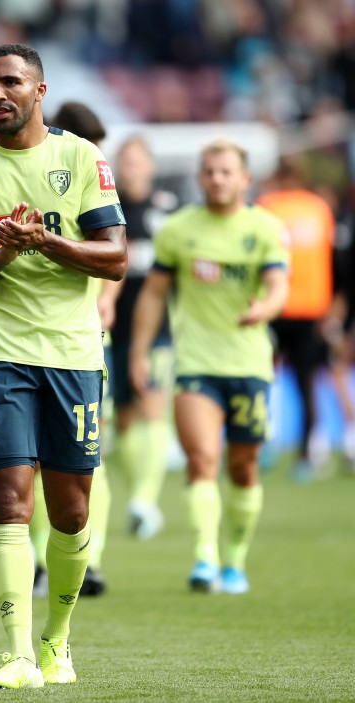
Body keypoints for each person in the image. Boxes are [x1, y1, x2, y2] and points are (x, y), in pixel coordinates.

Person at [0, 44, 127, 689]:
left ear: (40, 91)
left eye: (11, 82)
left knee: (71, 511)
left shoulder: (80, 158)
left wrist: (46, 242)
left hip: (72, 356)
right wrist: (1, 257)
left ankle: (56, 643)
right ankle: (17, 654)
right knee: (8, 499)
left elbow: (114, 256)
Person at [130, 140, 289, 595]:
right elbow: (155, 294)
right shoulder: (178, 230)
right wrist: (140, 351)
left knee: (244, 468)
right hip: (196, 366)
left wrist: (265, 309)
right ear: (199, 178)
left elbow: (279, 284)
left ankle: (235, 561)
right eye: (209, 171)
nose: (217, 179)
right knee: (201, 460)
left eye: (225, 171)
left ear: (245, 179)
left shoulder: (265, 229)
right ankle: (205, 556)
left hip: (250, 366)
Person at [29, 100, 117, 599]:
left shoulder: (95, 179)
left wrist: (105, 305)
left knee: (84, 457)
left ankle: (91, 557)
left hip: (84, 339)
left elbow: (117, 256)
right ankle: (49, 561)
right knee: (42, 460)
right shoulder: (52, 173)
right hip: (38, 337)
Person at [110, 137, 178, 536]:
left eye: (138, 162)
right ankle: (140, 496)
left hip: (158, 330)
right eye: (126, 162)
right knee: (123, 421)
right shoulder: (106, 209)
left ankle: (144, 500)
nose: (132, 169)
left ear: (151, 167)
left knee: (154, 406)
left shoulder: (168, 211)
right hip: (112, 329)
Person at [257, 156, 340, 480]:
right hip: (312, 310)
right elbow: (333, 260)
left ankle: (262, 443)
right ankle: (307, 454)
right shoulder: (319, 208)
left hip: (274, 307)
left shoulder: (267, 206)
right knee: (306, 383)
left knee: (262, 377)